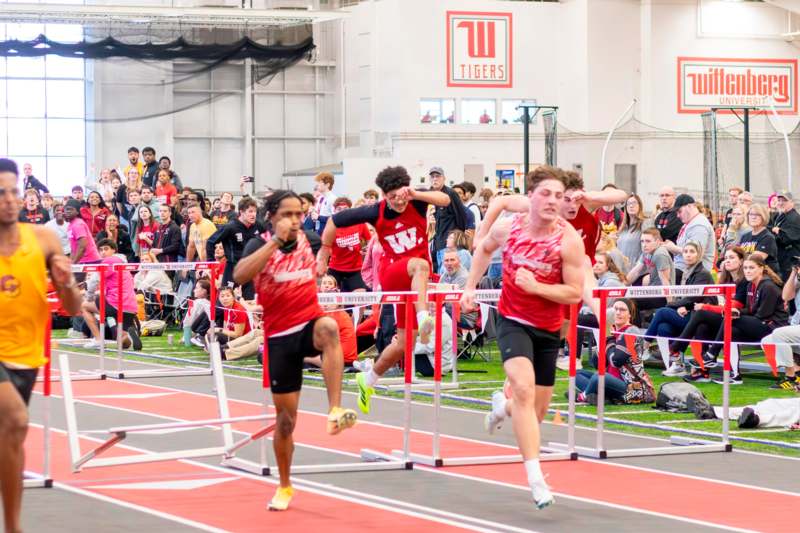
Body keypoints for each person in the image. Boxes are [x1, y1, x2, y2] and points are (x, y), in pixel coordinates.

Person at [463, 166, 585, 510]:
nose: (552, 201)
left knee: (535, 411)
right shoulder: (508, 228)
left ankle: (501, 408)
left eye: (559, 196)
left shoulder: (567, 239)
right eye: (546, 194)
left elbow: (574, 294)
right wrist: (470, 287)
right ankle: (535, 479)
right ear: (529, 196)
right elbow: (484, 250)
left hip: (548, 327)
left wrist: (538, 287)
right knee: (523, 388)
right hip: (513, 320)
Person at [233, 190, 358, 511]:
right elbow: (239, 275)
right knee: (286, 422)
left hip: (308, 322)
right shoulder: (259, 244)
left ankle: (334, 411)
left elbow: (330, 240)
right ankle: (285, 486)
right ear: (272, 216)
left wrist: (324, 261)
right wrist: (275, 242)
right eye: (287, 214)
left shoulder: (309, 238)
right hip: (279, 337)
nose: (294, 220)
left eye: (299, 214)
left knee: (329, 328)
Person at [317, 166, 450, 414]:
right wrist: (324, 252)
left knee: (404, 344)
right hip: (393, 271)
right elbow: (334, 221)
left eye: (401, 196)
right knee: (420, 265)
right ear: (384, 195)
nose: (398, 202)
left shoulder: (417, 200)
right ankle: (424, 318)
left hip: (415, 282)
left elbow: (445, 199)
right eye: (392, 198)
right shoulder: (374, 211)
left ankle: (368, 380)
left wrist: (416, 195)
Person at [0, 158, 81, 533]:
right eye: (1, 193)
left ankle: (10, 522)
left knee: (11, 439)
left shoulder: (44, 239)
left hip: (26, 353)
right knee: (15, 420)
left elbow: (73, 308)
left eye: (14, 192)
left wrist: (65, 282)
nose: (9, 200)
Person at [697, 255, 787, 385]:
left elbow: (762, 314)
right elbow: (751, 310)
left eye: (751, 268)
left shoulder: (768, 286)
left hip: (773, 328)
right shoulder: (750, 285)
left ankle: (711, 354)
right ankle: (735, 376)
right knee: (731, 332)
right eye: (745, 268)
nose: (748, 271)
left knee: (730, 318)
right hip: (759, 323)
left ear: (761, 269)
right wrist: (738, 312)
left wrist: (739, 315)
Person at [669, 246, 747, 380]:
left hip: (738, 320)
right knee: (701, 325)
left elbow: (733, 307)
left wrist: (705, 307)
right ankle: (702, 371)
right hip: (723, 318)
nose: (727, 261)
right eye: (726, 258)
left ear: (741, 261)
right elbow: (719, 304)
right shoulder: (724, 280)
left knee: (700, 313)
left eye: (732, 258)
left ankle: (677, 346)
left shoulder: (744, 281)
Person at [575, 299, 654, 405]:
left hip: (631, 387)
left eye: (622, 310)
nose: (617, 312)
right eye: (615, 309)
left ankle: (583, 396)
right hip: (611, 381)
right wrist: (605, 340)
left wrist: (609, 341)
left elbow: (616, 361)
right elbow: (597, 364)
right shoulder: (612, 332)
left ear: (630, 314)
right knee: (576, 373)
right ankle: (602, 396)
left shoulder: (631, 332)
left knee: (599, 376)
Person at [642, 242, 714, 345]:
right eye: (685, 252)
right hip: (689, 312)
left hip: (699, 316)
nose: (688, 255)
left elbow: (692, 299)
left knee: (662, 312)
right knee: (663, 327)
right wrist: (681, 307)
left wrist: (672, 305)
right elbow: (686, 299)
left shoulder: (703, 273)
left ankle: (645, 344)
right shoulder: (688, 272)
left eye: (692, 252)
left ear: (699, 255)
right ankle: (673, 356)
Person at [80, 239, 142, 350]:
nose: (103, 252)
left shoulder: (108, 262)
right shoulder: (123, 263)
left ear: (114, 250)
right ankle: (128, 336)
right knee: (122, 342)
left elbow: (94, 281)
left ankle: (99, 340)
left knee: (84, 306)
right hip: (131, 306)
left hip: (115, 304)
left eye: (106, 249)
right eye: (101, 250)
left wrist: (88, 296)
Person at [206, 197, 263, 293]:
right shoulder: (230, 226)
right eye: (250, 211)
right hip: (233, 267)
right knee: (225, 297)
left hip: (251, 268)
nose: (253, 215)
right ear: (241, 212)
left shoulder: (258, 225)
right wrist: (211, 264)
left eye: (255, 212)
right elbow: (210, 242)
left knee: (250, 300)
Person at [429, 166, 471, 272]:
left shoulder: (450, 194)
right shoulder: (429, 195)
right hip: (436, 244)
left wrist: (456, 237)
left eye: (438, 176)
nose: (435, 179)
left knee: (449, 274)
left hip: (449, 244)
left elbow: (461, 216)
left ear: (444, 178)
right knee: (439, 275)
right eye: (432, 176)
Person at [662, 194, 715, 278]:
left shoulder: (699, 225)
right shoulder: (690, 223)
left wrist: (673, 248)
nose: (678, 215)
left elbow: (696, 254)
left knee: (653, 279)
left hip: (693, 273)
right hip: (684, 269)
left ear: (690, 207)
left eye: (679, 211)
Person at [325, 197, 371, 292]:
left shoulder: (360, 223)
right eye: (339, 209)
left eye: (345, 209)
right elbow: (325, 247)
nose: (342, 211)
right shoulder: (331, 226)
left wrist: (368, 250)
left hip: (355, 269)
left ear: (350, 210)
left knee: (361, 297)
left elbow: (370, 240)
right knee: (330, 295)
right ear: (335, 211)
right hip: (335, 267)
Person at [625, 228, 674, 312]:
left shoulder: (660, 254)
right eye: (642, 241)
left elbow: (665, 281)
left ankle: (634, 325)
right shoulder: (646, 251)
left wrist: (671, 305)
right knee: (626, 299)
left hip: (662, 295)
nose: (644, 244)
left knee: (631, 302)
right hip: (652, 290)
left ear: (657, 242)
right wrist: (621, 286)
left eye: (648, 241)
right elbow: (636, 271)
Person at [738, 204, 780, 275]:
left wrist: (737, 260)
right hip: (746, 275)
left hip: (764, 277)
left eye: (757, 214)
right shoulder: (744, 236)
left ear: (764, 217)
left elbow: (754, 260)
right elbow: (738, 255)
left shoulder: (768, 237)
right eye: (751, 214)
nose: (753, 217)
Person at [769, 190, 800, 280]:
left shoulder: (794, 218)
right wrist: (775, 231)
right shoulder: (781, 216)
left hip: (790, 263)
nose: (781, 203)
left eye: (784, 200)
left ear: (792, 202)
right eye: (779, 200)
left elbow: (786, 239)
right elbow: (771, 230)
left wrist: (778, 232)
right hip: (781, 261)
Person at [64, 199, 101, 266]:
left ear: (77, 212)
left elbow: (82, 246)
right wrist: (71, 262)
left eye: (71, 209)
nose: (68, 211)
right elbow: (73, 249)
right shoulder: (70, 225)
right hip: (82, 261)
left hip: (90, 261)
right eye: (66, 209)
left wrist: (73, 264)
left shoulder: (78, 224)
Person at [616, 194, 647, 268]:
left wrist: (638, 267)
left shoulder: (645, 223)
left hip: (638, 272)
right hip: (622, 271)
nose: (631, 206)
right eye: (628, 204)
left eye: (634, 203)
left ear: (640, 206)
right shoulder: (623, 228)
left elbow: (648, 250)